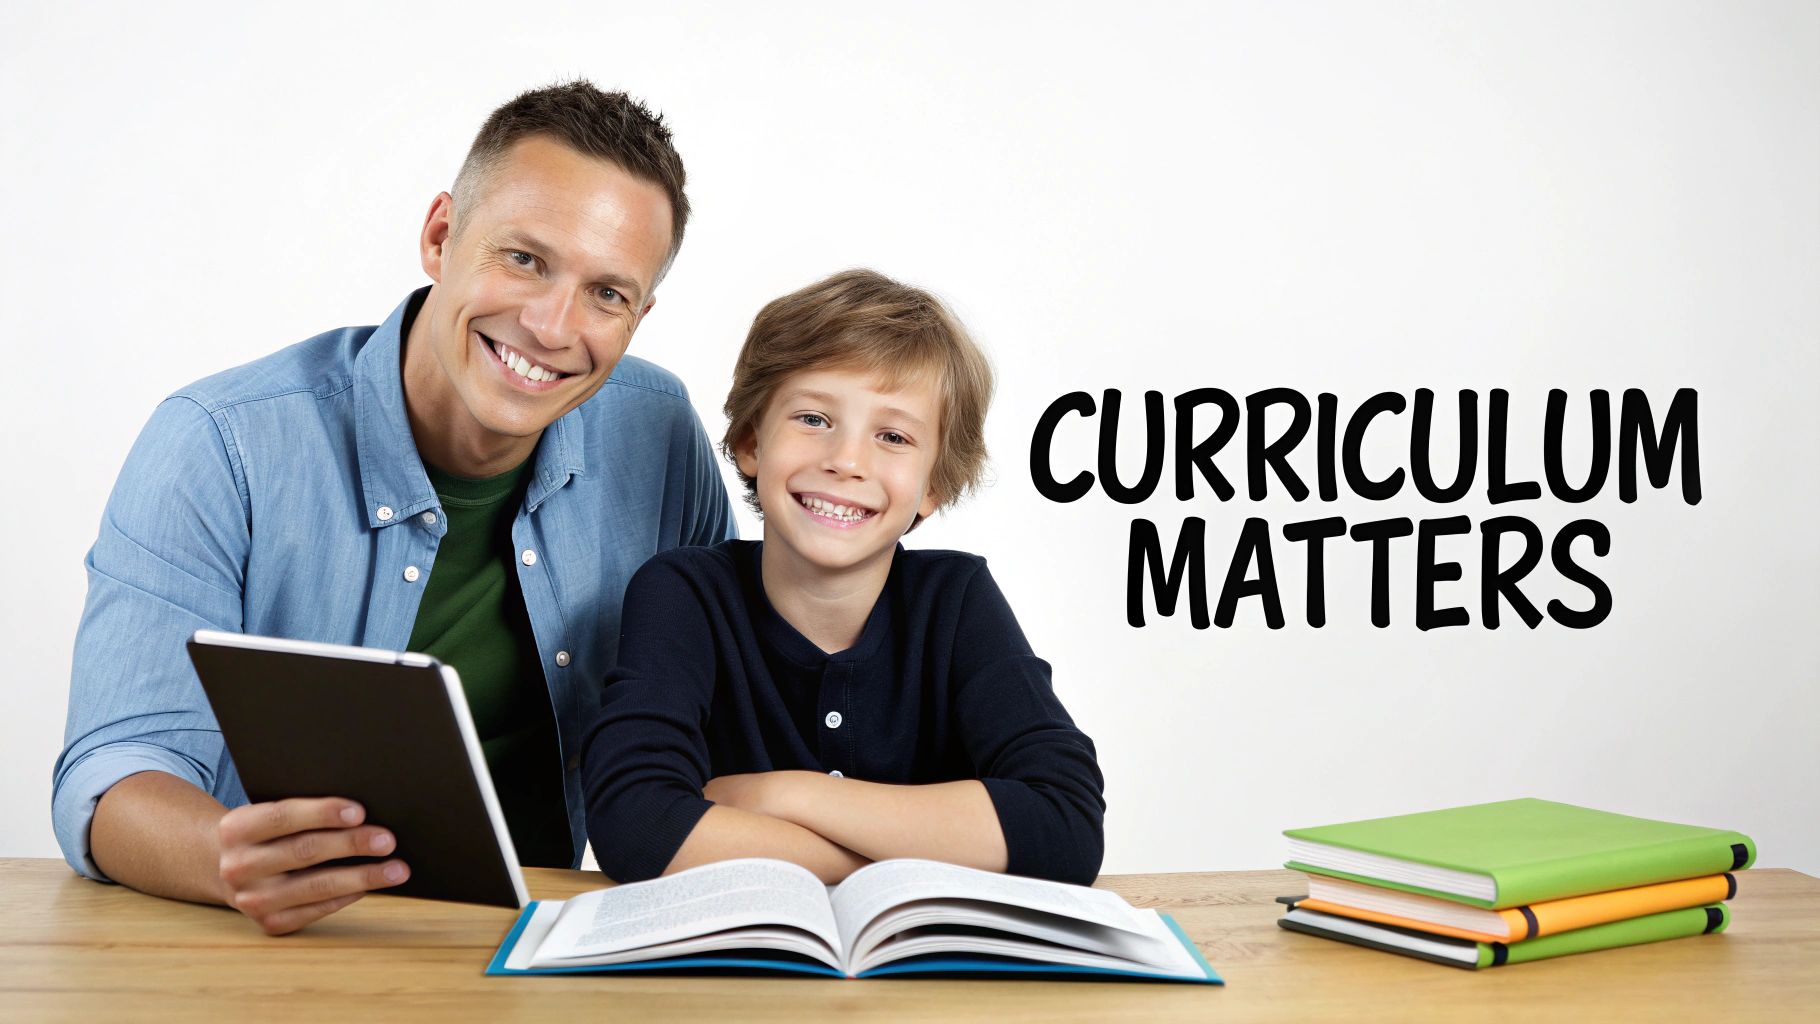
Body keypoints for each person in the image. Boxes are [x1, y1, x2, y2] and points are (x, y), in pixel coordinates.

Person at [51, 82, 734, 935]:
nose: (553, 326)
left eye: (607, 293)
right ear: (441, 235)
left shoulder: (657, 429)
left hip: (535, 947)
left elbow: (728, 700)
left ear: (640, 313)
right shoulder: (218, 442)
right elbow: (115, 769)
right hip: (270, 946)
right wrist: (223, 854)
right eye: (524, 258)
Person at [581, 269, 1105, 885]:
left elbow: (1064, 825)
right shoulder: (684, 593)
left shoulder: (956, 601)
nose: (846, 461)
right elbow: (637, 826)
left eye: (892, 435)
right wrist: (907, 858)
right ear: (752, 442)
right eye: (814, 419)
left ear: (933, 484)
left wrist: (788, 797)